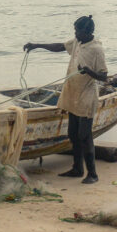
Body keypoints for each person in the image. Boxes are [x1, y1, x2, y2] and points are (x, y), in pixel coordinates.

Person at [24, 15, 108, 184]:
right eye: (75, 30)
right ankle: (77, 169)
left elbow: (103, 76)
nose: (75, 33)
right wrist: (36, 45)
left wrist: (88, 72)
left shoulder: (96, 49)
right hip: (72, 93)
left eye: (78, 30)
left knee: (85, 136)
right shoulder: (78, 41)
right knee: (73, 134)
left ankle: (92, 174)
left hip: (86, 96)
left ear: (88, 31)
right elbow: (60, 47)